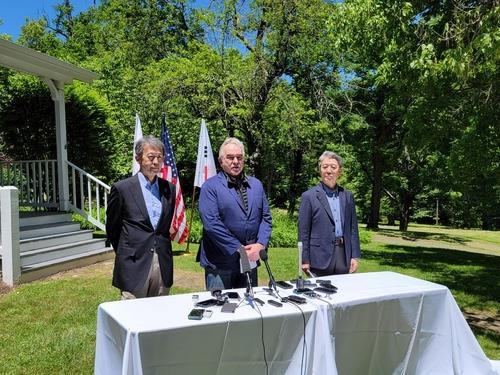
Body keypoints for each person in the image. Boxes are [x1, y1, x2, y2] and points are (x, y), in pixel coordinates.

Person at [106, 136, 176, 299]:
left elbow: (163, 228)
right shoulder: (122, 188)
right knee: (132, 318)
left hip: (161, 263)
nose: (156, 162)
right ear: (138, 158)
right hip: (134, 263)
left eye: (159, 158)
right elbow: (112, 228)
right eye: (151, 157)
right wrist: (128, 251)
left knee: (160, 316)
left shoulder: (169, 189)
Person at [197, 137, 272, 290]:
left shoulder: (256, 185)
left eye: (239, 157)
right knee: (221, 309)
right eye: (230, 158)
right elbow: (211, 224)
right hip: (220, 263)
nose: (235, 161)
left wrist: (261, 244)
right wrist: (239, 248)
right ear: (221, 160)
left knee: (249, 309)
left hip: (250, 260)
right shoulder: (210, 187)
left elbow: (266, 218)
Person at [298, 151, 361, 276]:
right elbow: (303, 231)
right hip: (319, 257)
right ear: (320, 170)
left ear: (339, 171)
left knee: (344, 292)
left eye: (333, 167)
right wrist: (304, 259)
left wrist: (355, 255)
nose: (329, 171)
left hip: (344, 256)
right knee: (320, 293)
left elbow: (353, 228)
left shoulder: (348, 196)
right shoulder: (309, 196)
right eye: (325, 166)